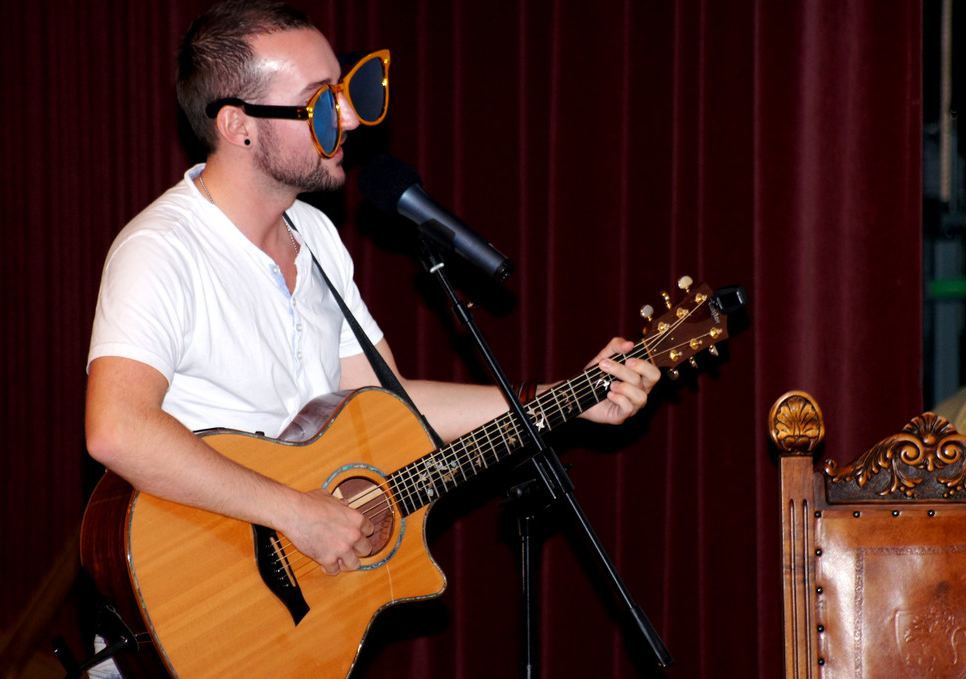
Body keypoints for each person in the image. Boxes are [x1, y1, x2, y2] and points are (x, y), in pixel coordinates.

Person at [84, 0, 659, 675]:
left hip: (290, 631)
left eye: (348, 90)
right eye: (321, 102)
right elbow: (117, 429)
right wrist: (296, 513)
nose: (352, 118)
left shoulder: (317, 237)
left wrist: (566, 396)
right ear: (238, 126)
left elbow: (392, 405)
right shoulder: (163, 250)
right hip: (194, 607)